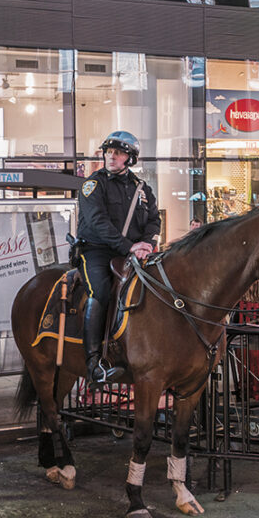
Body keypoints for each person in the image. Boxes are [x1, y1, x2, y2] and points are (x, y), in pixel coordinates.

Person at [77, 130, 160, 387]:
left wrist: (147, 243)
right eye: (109, 152)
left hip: (133, 251)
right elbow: (97, 222)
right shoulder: (93, 184)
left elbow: (154, 220)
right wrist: (129, 246)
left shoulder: (142, 188)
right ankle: (94, 363)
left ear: (130, 159)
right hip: (97, 250)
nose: (111, 156)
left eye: (118, 152)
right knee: (100, 291)